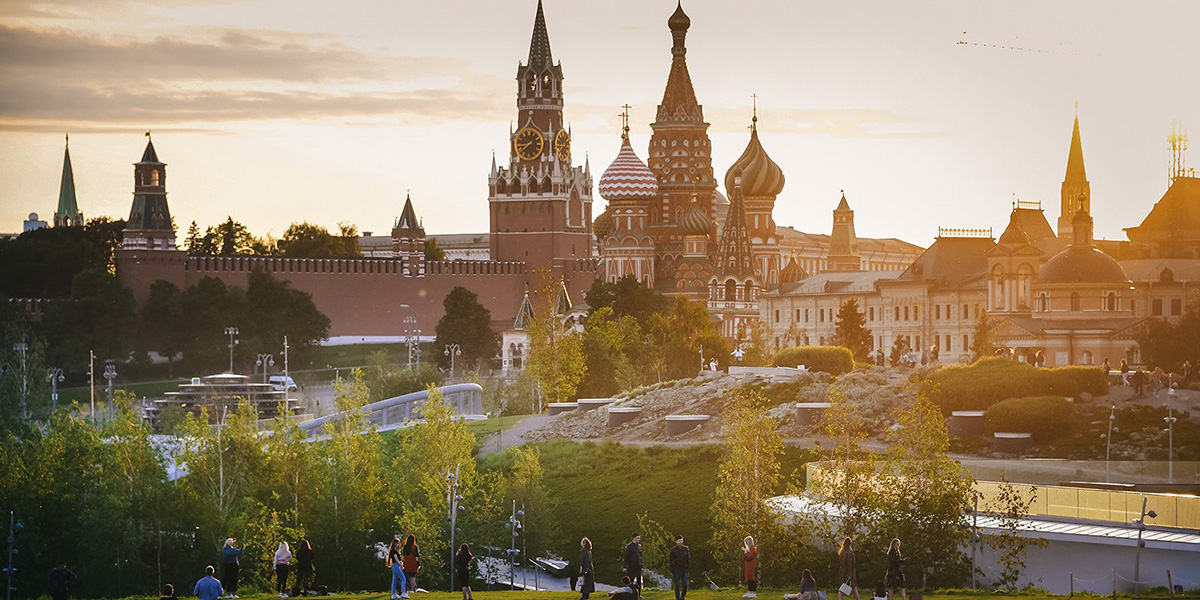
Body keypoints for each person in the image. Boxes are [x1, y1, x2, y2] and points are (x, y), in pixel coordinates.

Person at [668, 535, 690, 600]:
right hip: (676, 570)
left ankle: (682, 596)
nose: (681, 542)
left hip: (684, 569)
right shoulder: (673, 550)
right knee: (677, 585)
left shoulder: (686, 548)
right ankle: (678, 598)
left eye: (682, 540)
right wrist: (672, 570)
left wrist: (687, 568)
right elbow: (670, 561)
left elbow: (688, 559)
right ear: (676, 541)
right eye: (679, 541)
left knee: (685, 584)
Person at [623, 533, 643, 598]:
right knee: (631, 580)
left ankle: (638, 594)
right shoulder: (629, 546)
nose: (639, 540)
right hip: (631, 566)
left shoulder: (639, 546)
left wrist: (641, 564)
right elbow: (626, 557)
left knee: (639, 580)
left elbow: (640, 556)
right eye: (637, 538)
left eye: (639, 538)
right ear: (634, 538)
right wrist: (625, 566)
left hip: (638, 566)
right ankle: (630, 594)